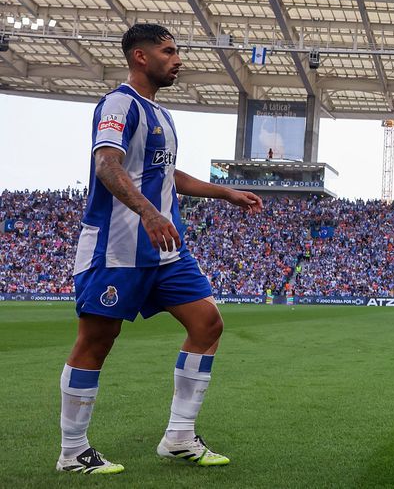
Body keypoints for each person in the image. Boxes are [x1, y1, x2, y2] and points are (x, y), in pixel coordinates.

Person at [56, 24, 264, 474]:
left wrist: (224, 192)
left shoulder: (162, 116)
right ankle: (72, 451)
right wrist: (150, 213)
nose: (178, 59)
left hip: (166, 249)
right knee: (96, 341)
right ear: (140, 57)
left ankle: (179, 437)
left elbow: (168, 176)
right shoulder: (118, 104)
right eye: (168, 51)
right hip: (117, 247)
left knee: (207, 323)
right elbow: (107, 166)